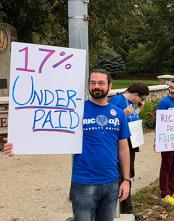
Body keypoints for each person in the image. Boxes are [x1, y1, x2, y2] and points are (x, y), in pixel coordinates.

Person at [4, 69, 131, 221]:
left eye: (101, 83)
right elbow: (49, 131)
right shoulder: (75, 110)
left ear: (109, 86)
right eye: (92, 83)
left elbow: (123, 149)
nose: (96, 86)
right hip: (84, 182)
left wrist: (126, 180)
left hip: (111, 182)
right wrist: (19, 143)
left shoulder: (119, 114)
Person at [109, 82, 150, 214]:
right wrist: (123, 113)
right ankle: (122, 210)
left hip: (132, 142)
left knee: (127, 175)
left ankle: (127, 209)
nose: (141, 101)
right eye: (141, 98)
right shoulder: (118, 100)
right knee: (121, 175)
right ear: (136, 94)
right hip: (122, 142)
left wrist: (139, 110)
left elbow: (130, 119)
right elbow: (111, 120)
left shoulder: (131, 103)